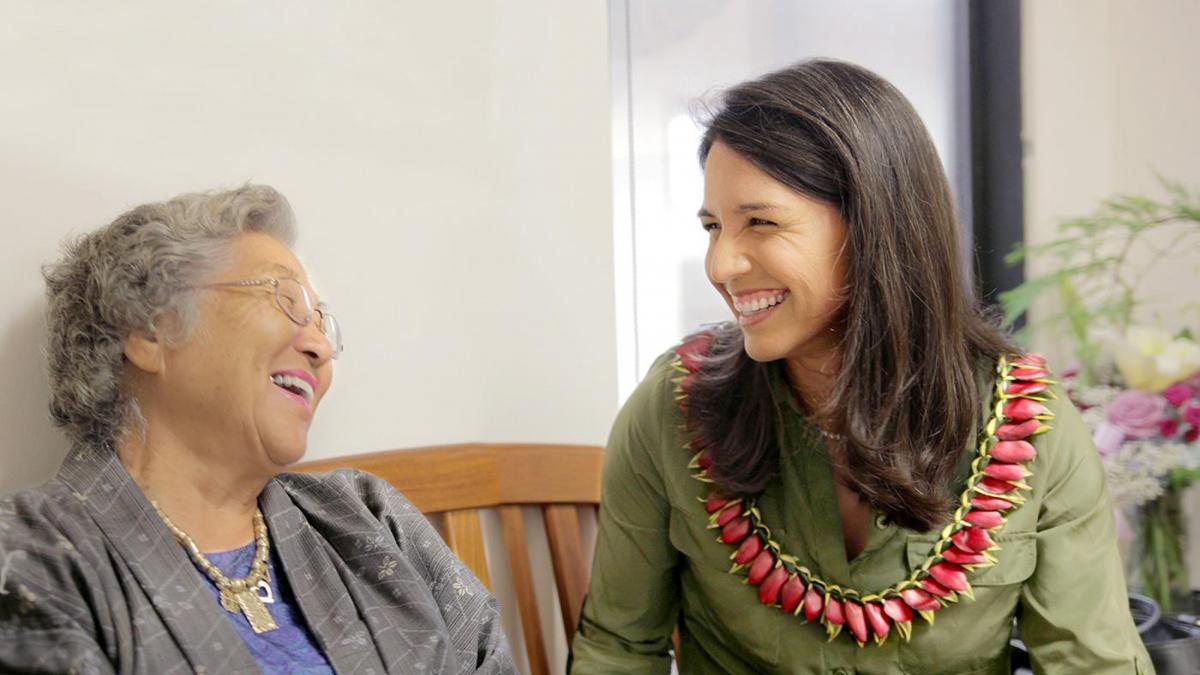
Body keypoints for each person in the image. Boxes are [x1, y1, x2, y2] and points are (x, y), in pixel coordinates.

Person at [569, 60, 1152, 674]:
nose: (721, 265)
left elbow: (1093, 661)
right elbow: (619, 649)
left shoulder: (1024, 422)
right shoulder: (672, 405)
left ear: (874, 224)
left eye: (759, 222)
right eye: (714, 227)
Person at [0, 185, 516, 674]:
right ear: (148, 330)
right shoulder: (30, 556)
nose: (321, 348)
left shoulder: (369, 517)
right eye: (284, 299)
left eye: (323, 322)